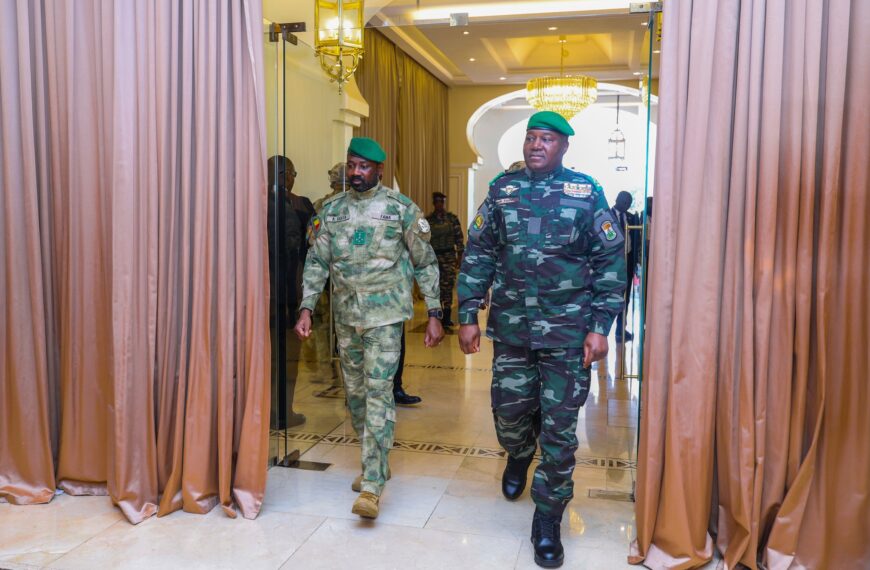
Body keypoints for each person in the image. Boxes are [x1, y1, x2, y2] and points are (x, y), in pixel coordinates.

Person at [457, 111, 626, 568]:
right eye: (531, 137)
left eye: (546, 139)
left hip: (568, 335)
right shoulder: (501, 191)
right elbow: (479, 252)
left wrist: (600, 326)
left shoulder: (586, 193)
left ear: (564, 147)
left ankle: (548, 517)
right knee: (509, 413)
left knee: (559, 427)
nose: (535, 145)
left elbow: (610, 263)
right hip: (512, 330)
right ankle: (517, 454)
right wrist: (467, 313)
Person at [294, 137, 444, 520]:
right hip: (346, 318)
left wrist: (435, 311)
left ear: (379, 169)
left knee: (378, 393)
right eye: (352, 165)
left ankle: (373, 484)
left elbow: (425, 262)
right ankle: (374, 460)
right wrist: (307, 307)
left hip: (386, 317)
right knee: (357, 396)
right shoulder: (331, 211)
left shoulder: (400, 210)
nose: (356, 172)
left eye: (364, 167)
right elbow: (316, 262)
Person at [425, 192, 465, 327]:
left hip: (448, 257)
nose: (439, 205)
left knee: (448, 286)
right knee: (434, 287)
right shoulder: (428, 221)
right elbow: (423, 241)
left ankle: (446, 316)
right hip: (433, 258)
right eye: (437, 202)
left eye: (441, 202)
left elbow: (459, 238)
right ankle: (436, 315)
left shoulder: (452, 219)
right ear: (434, 203)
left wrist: (460, 257)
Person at [611, 191, 642, 342]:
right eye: (624, 201)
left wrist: (636, 262)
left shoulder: (631, 218)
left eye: (628, 202)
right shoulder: (605, 216)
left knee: (625, 299)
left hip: (627, 264)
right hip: (610, 266)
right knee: (608, 298)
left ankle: (620, 331)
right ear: (617, 200)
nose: (626, 205)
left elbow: (636, 242)